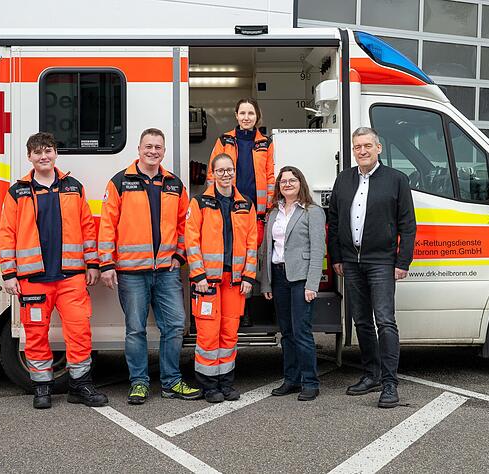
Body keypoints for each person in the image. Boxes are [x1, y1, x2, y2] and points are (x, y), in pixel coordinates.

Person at [0, 132, 108, 409]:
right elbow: (6, 234)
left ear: (55, 153)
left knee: (79, 332)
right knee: (35, 334)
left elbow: (87, 228)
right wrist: (9, 274)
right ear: (29, 157)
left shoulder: (73, 187)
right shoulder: (18, 191)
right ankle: (41, 387)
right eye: (37, 152)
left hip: (70, 276)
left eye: (48, 150)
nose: (43, 156)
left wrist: (93, 264)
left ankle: (80, 386)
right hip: (33, 279)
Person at [98, 128, 203, 405]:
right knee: (135, 329)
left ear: (164, 152)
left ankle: (171, 382)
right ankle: (139, 383)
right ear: (139, 149)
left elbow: (185, 226)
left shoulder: (174, 185)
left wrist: (179, 257)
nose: (153, 151)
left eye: (158, 147)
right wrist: (106, 263)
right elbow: (107, 226)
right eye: (149, 146)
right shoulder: (120, 182)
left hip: (166, 272)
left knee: (175, 325)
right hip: (131, 272)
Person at [327, 127, 416, 409]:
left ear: (378, 148)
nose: (362, 151)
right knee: (362, 321)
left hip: (381, 262)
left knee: (385, 322)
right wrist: (337, 257)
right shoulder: (344, 179)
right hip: (351, 262)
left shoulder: (396, 180)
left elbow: (408, 225)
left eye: (367, 145)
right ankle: (371, 375)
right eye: (357, 147)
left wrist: (403, 262)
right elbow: (334, 221)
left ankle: (390, 384)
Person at [185, 153, 258, 403]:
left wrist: (249, 276)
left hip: (235, 282)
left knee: (229, 334)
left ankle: (226, 383)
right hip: (208, 281)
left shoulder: (246, 204)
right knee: (207, 335)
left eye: (230, 170)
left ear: (234, 173)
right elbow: (191, 241)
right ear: (212, 174)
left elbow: (252, 243)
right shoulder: (199, 202)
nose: (225, 174)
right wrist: (199, 275)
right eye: (221, 170)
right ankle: (208, 386)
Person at [260, 166, 326, 401]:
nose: (287, 184)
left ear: (301, 183)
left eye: (292, 180)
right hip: (279, 277)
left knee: (301, 331)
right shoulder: (273, 213)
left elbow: (318, 250)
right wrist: (266, 283)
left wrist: (312, 284)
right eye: (283, 181)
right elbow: (267, 249)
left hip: (300, 279)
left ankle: (310, 381)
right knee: (286, 333)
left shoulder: (312, 211)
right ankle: (291, 379)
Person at [207, 98, 275, 245]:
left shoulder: (266, 143)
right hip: (226, 206)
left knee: (252, 251)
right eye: (242, 113)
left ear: (257, 116)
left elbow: (270, 177)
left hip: (256, 211)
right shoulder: (224, 140)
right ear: (236, 115)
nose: (246, 117)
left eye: (250, 113)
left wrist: (269, 207)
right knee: (228, 247)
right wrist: (212, 203)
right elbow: (212, 174)